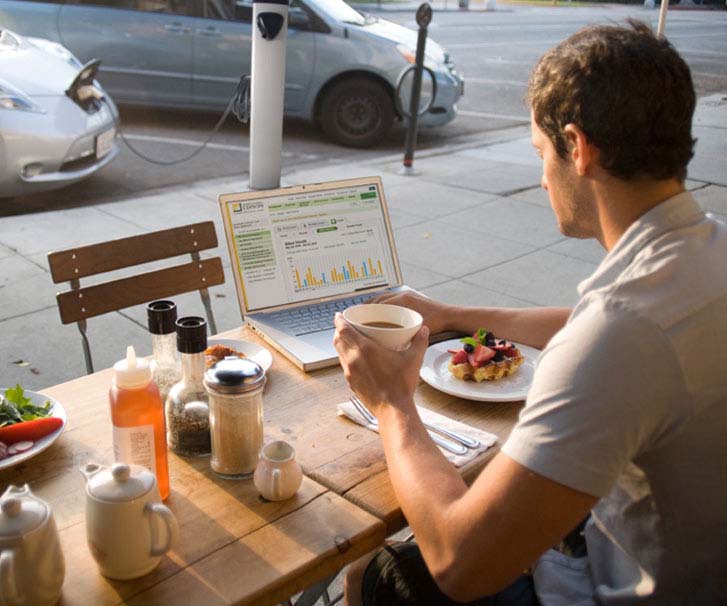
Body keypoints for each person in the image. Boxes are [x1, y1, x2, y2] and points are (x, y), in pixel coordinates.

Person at [333, 20, 727, 606]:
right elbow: (589, 326)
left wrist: (391, 403)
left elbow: (459, 562)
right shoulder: (702, 249)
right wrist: (449, 314)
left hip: (615, 584)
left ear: (579, 148)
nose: (542, 178)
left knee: (380, 573)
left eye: (542, 152)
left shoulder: (622, 332)